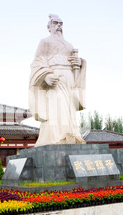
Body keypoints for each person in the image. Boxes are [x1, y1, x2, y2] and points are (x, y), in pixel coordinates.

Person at [29, 14, 86, 147]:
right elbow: (37, 62)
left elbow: (76, 64)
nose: (58, 26)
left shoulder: (69, 45)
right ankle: (55, 137)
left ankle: (71, 134)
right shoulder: (45, 42)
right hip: (54, 77)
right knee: (55, 107)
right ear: (49, 27)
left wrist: (80, 63)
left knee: (68, 108)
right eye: (55, 23)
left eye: (60, 24)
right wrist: (46, 76)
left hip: (69, 78)